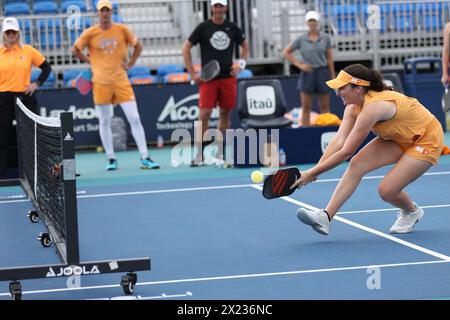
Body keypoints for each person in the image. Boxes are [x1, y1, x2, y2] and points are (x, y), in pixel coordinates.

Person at [292, 64, 444, 235]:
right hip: (399, 137)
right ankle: (325, 217)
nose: (337, 93)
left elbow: (346, 152)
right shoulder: (352, 107)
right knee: (357, 164)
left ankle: (411, 211)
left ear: (358, 88)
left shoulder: (373, 107)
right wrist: (316, 171)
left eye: (342, 88)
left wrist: (311, 173)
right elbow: (338, 141)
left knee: (387, 191)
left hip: (426, 139)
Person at [72, 0, 159, 171]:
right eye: (102, 10)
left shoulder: (122, 29)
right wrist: (90, 62)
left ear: (111, 12)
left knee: (134, 118)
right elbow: (75, 49)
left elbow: (138, 46)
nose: (105, 13)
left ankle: (145, 156)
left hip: (121, 81)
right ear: (98, 13)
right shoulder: (90, 33)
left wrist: (131, 63)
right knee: (104, 121)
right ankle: (111, 158)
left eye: (107, 10)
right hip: (101, 82)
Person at [182, 0, 249, 166]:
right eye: (216, 6)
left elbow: (245, 46)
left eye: (221, 6)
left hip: (228, 77)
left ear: (225, 8)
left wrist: (241, 65)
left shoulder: (232, 27)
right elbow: (186, 47)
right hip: (208, 79)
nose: (218, 9)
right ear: (212, 8)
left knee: (225, 113)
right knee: (203, 114)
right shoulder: (203, 27)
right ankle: (199, 155)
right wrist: (192, 72)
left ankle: (220, 153)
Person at [0, 17, 53, 179]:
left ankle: (32, 171)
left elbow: (46, 67)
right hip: (3, 98)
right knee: (2, 136)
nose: (11, 35)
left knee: (30, 134)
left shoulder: (28, 50)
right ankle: (1, 173)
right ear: (3, 34)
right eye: (8, 32)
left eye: (14, 32)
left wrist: (36, 83)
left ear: (18, 33)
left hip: (24, 97)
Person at [282, 10, 335, 126]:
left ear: (318, 22)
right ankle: (305, 130)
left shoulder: (326, 38)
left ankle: (326, 128)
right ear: (307, 23)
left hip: (322, 72)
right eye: (310, 21)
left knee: (325, 106)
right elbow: (286, 52)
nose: (312, 23)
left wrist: (332, 76)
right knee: (306, 106)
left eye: (314, 21)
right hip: (307, 74)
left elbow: (329, 58)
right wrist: (299, 65)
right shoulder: (301, 39)